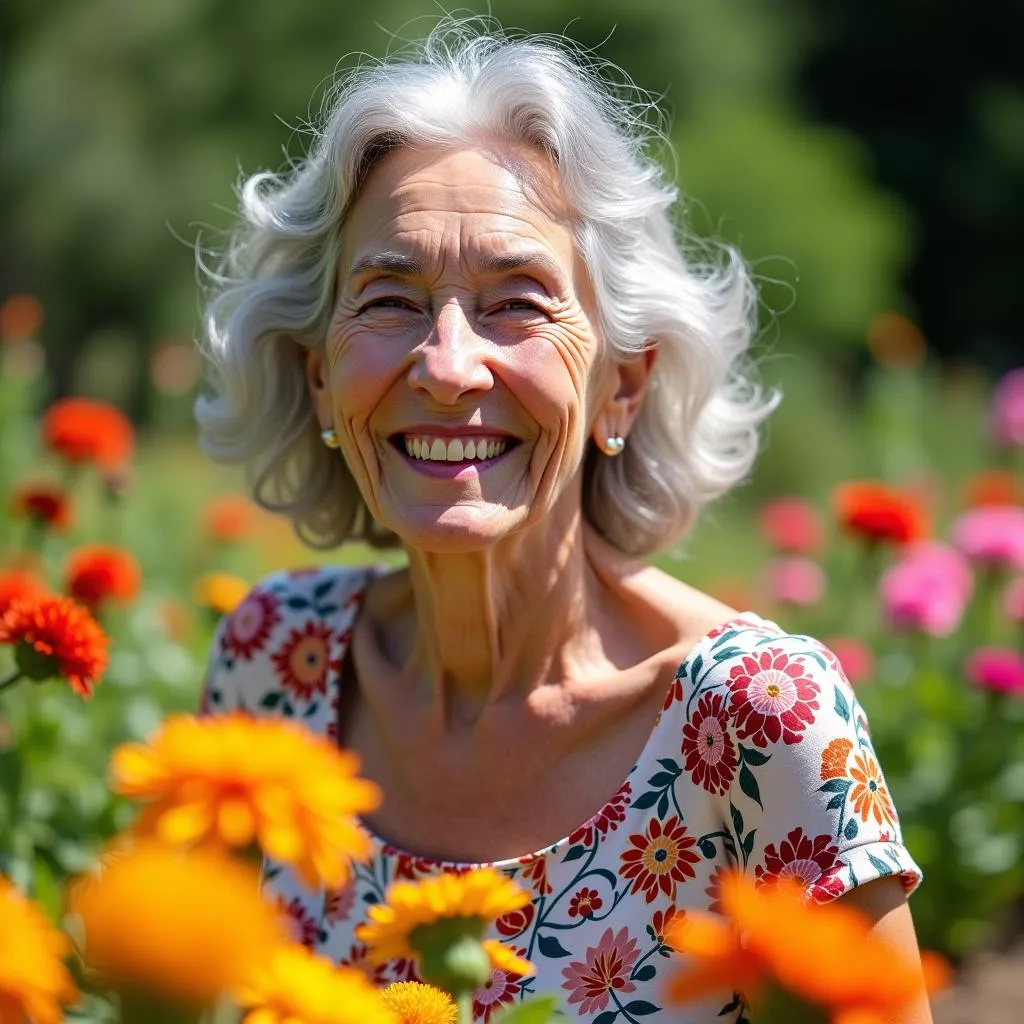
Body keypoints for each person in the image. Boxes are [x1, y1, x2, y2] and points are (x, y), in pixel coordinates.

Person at [195, 21, 930, 1022]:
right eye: (390, 299)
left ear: (622, 387)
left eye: (516, 303)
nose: (448, 364)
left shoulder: (761, 718)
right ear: (321, 379)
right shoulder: (272, 663)